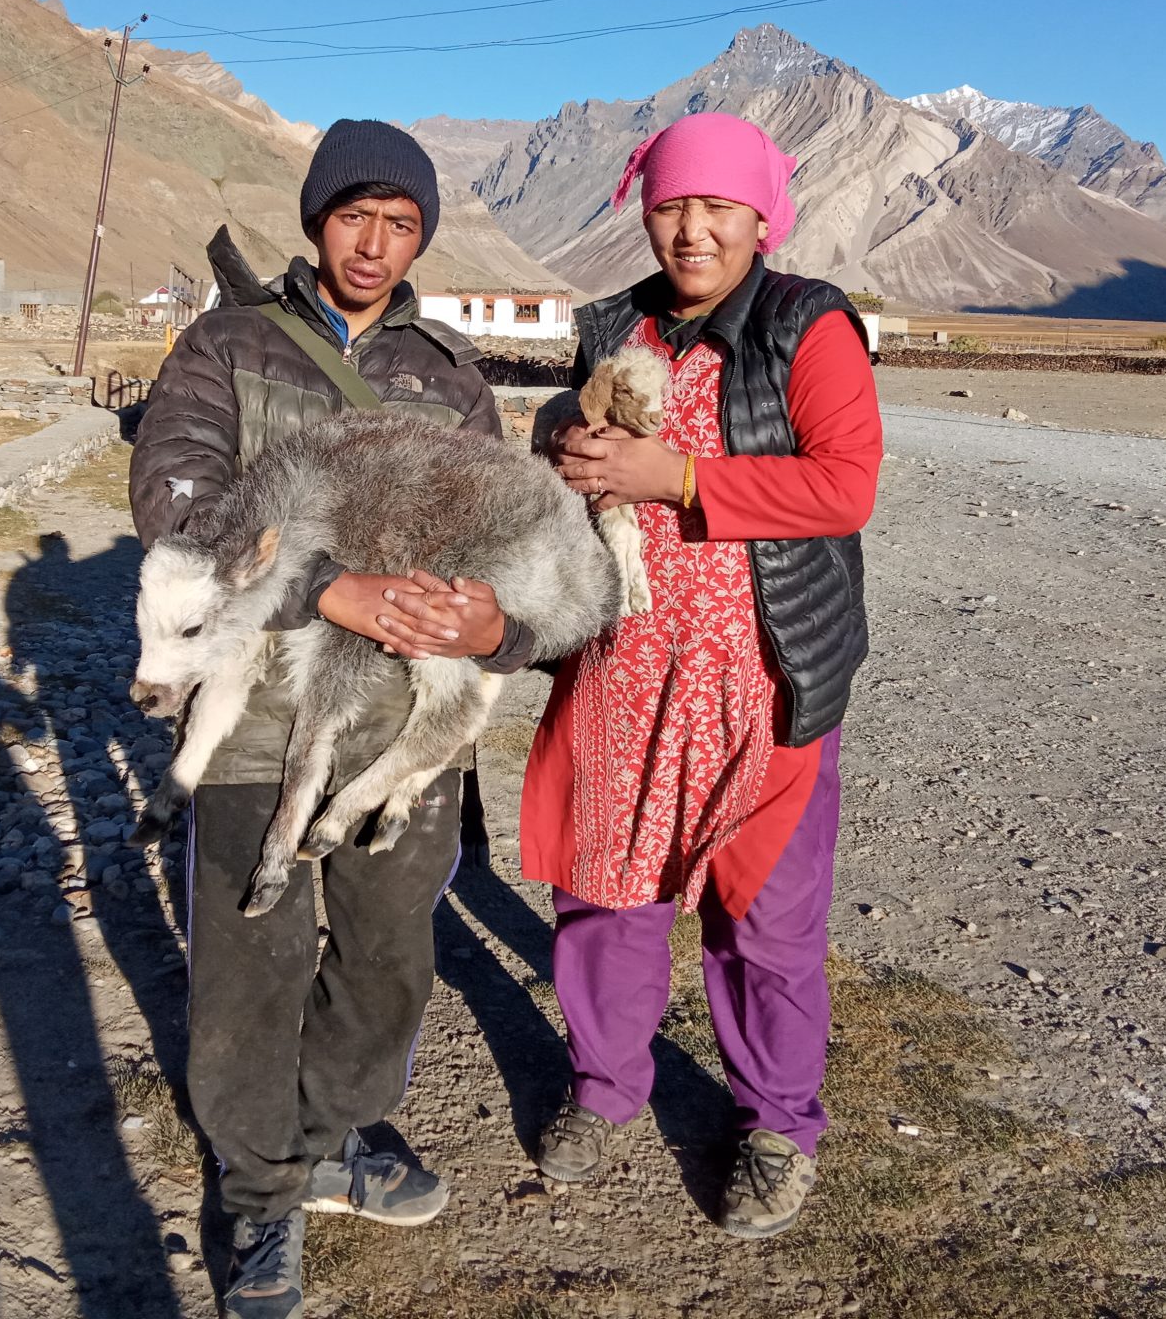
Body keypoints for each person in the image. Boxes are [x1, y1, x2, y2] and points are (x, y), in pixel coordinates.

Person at [129, 119, 535, 1319]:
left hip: (395, 730)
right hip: (254, 718)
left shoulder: (450, 378)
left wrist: (491, 622)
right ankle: (259, 1194)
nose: (374, 243)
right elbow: (178, 502)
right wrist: (321, 587)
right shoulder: (226, 345)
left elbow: (506, 527)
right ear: (316, 220)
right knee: (250, 968)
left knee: (387, 961)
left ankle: (328, 1134)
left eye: (401, 224)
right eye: (355, 216)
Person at [521, 111, 884, 1238]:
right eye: (672, 204)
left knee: (765, 919)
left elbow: (844, 487)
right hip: (622, 669)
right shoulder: (614, 325)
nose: (692, 230)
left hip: (763, 681)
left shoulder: (805, 324)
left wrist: (676, 475)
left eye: (718, 207)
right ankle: (603, 1088)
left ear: (761, 217)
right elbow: (577, 444)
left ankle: (777, 1125)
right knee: (606, 895)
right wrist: (562, 440)